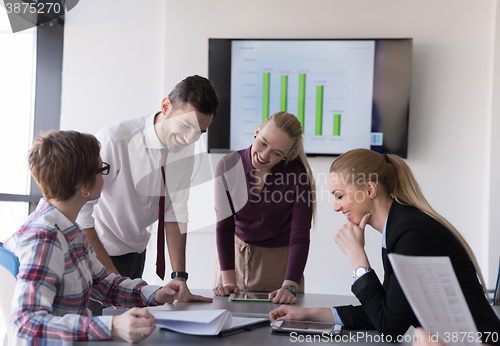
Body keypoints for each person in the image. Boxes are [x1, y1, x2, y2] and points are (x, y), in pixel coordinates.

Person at [269, 148, 500, 343]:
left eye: (339, 196)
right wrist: (309, 314)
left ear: (369, 190)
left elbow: (390, 328)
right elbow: (389, 312)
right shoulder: (397, 229)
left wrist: (358, 258)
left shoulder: (412, 233)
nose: (336, 208)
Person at [4, 130, 189, 343]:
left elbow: (104, 284)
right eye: (102, 170)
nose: (104, 176)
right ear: (83, 185)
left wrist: (155, 294)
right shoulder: (43, 239)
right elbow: (26, 325)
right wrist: (112, 325)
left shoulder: (70, 231)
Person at [76, 75, 219, 315]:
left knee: (128, 331)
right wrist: (111, 279)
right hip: (98, 254)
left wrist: (179, 276)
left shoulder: (186, 147)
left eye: (199, 132)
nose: (190, 139)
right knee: (96, 335)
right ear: (166, 107)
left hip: (136, 254)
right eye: (186, 126)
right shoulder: (115, 140)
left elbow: (175, 209)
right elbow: (82, 212)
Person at [213, 112, 315, 304]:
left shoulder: (297, 176)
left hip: (279, 267)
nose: (264, 155)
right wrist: (228, 280)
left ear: (289, 153)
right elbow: (224, 227)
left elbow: (300, 236)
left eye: (277, 153)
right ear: (257, 131)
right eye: (263, 143)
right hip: (232, 260)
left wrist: (290, 285)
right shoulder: (228, 165)